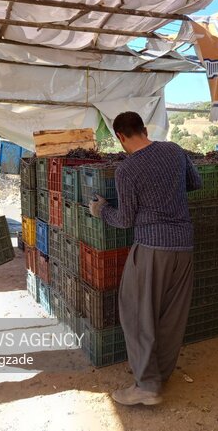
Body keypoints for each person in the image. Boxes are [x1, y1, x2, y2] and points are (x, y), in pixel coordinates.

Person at [88, 111, 202, 406]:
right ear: (144, 129)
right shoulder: (174, 150)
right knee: (171, 316)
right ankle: (160, 374)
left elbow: (125, 219)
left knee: (137, 313)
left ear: (121, 137)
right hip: (184, 246)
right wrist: (168, 192)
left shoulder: (127, 170)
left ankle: (147, 386)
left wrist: (100, 210)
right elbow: (195, 183)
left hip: (152, 247)